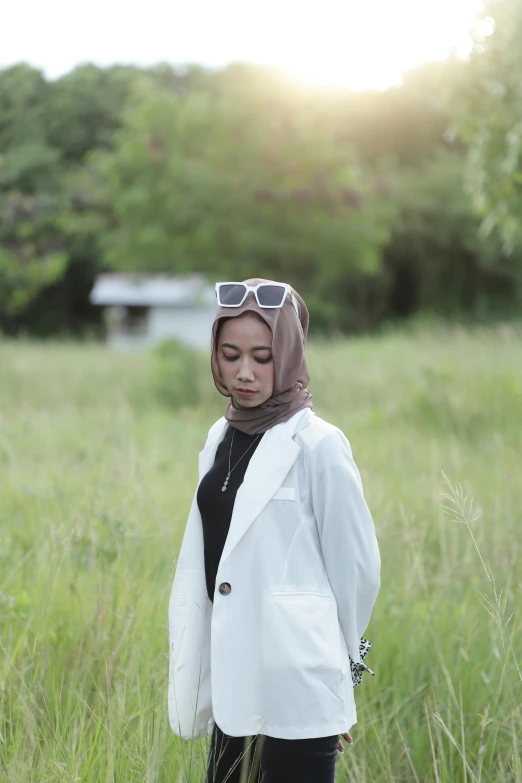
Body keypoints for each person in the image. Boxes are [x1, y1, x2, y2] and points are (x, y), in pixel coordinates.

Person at [168, 278, 381, 783]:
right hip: (232, 673)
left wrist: (338, 670)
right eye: (230, 354)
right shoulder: (220, 435)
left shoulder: (319, 445)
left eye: (262, 357)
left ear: (287, 352)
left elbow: (357, 569)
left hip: (297, 683)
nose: (244, 372)